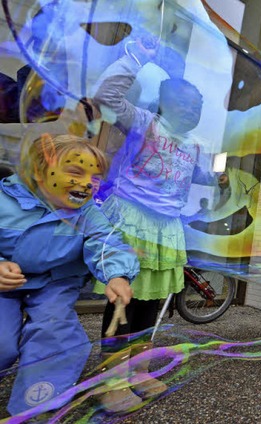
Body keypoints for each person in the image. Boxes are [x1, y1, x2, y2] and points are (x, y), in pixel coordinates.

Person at [91, 40, 215, 411]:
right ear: (163, 103)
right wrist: (135, 58)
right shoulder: (146, 123)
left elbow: (194, 175)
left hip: (166, 228)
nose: (192, 110)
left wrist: (216, 180)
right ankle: (109, 381)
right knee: (123, 301)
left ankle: (137, 370)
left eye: (198, 107)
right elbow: (107, 97)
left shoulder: (193, 145)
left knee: (151, 305)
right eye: (185, 102)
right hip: (132, 220)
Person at [0, 134, 137, 415]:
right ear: (38, 170)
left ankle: (36, 407)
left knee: (55, 333)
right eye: (76, 171)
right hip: (4, 284)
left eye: (94, 177)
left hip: (55, 283)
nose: (87, 183)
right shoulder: (4, 201)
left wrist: (117, 274)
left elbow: (107, 242)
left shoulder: (86, 213)